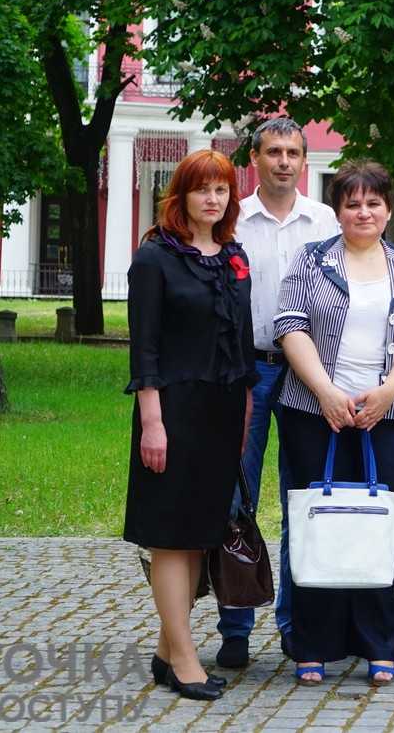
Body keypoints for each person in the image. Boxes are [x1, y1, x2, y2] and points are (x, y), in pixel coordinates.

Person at [272, 161, 394, 686]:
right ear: (337, 209)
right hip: (313, 411)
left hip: (387, 416)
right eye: (352, 203)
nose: (363, 212)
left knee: (374, 528)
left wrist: (388, 392)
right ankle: (312, 643)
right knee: (317, 523)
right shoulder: (311, 259)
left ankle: (377, 642)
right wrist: (325, 392)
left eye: (373, 203)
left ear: (388, 209)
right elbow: (289, 324)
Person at [123, 149, 257, 702]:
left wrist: (246, 408)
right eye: (202, 189)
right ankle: (183, 659)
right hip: (173, 408)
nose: (212, 198)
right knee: (172, 538)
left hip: (224, 409)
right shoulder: (155, 257)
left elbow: (243, 337)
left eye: (222, 189)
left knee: (200, 535)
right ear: (181, 194)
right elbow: (144, 347)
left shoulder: (233, 255)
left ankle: (163, 649)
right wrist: (152, 422)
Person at [216, 118, 338, 670]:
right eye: (273, 152)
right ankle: (236, 625)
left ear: (304, 160)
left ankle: (295, 625)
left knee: (302, 500)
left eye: (293, 152)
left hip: (310, 374)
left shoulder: (326, 221)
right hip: (250, 372)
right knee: (236, 498)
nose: (284, 161)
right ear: (255, 159)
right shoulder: (233, 220)